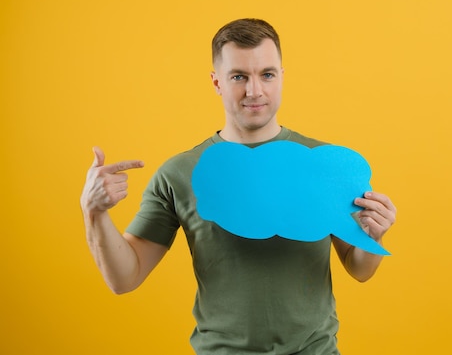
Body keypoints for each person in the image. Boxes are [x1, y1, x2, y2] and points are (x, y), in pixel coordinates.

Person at [80, 18, 397, 354]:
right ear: (217, 82)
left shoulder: (326, 165)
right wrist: (95, 213)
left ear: (282, 78)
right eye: (238, 77)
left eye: (267, 75)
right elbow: (125, 277)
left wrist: (374, 234)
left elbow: (359, 268)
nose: (254, 91)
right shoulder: (179, 173)